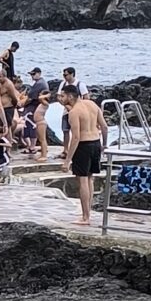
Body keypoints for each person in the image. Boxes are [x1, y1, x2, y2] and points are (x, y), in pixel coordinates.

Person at [67, 84, 107, 225]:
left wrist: (67, 160)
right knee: (90, 179)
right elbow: (104, 126)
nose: (62, 98)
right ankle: (87, 213)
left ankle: (85, 217)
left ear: (70, 96)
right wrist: (104, 145)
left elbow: (76, 137)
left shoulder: (74, 112)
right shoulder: (91, 104)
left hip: (83, 145)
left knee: (83, 181)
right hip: (96, 142)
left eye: (63, 96)